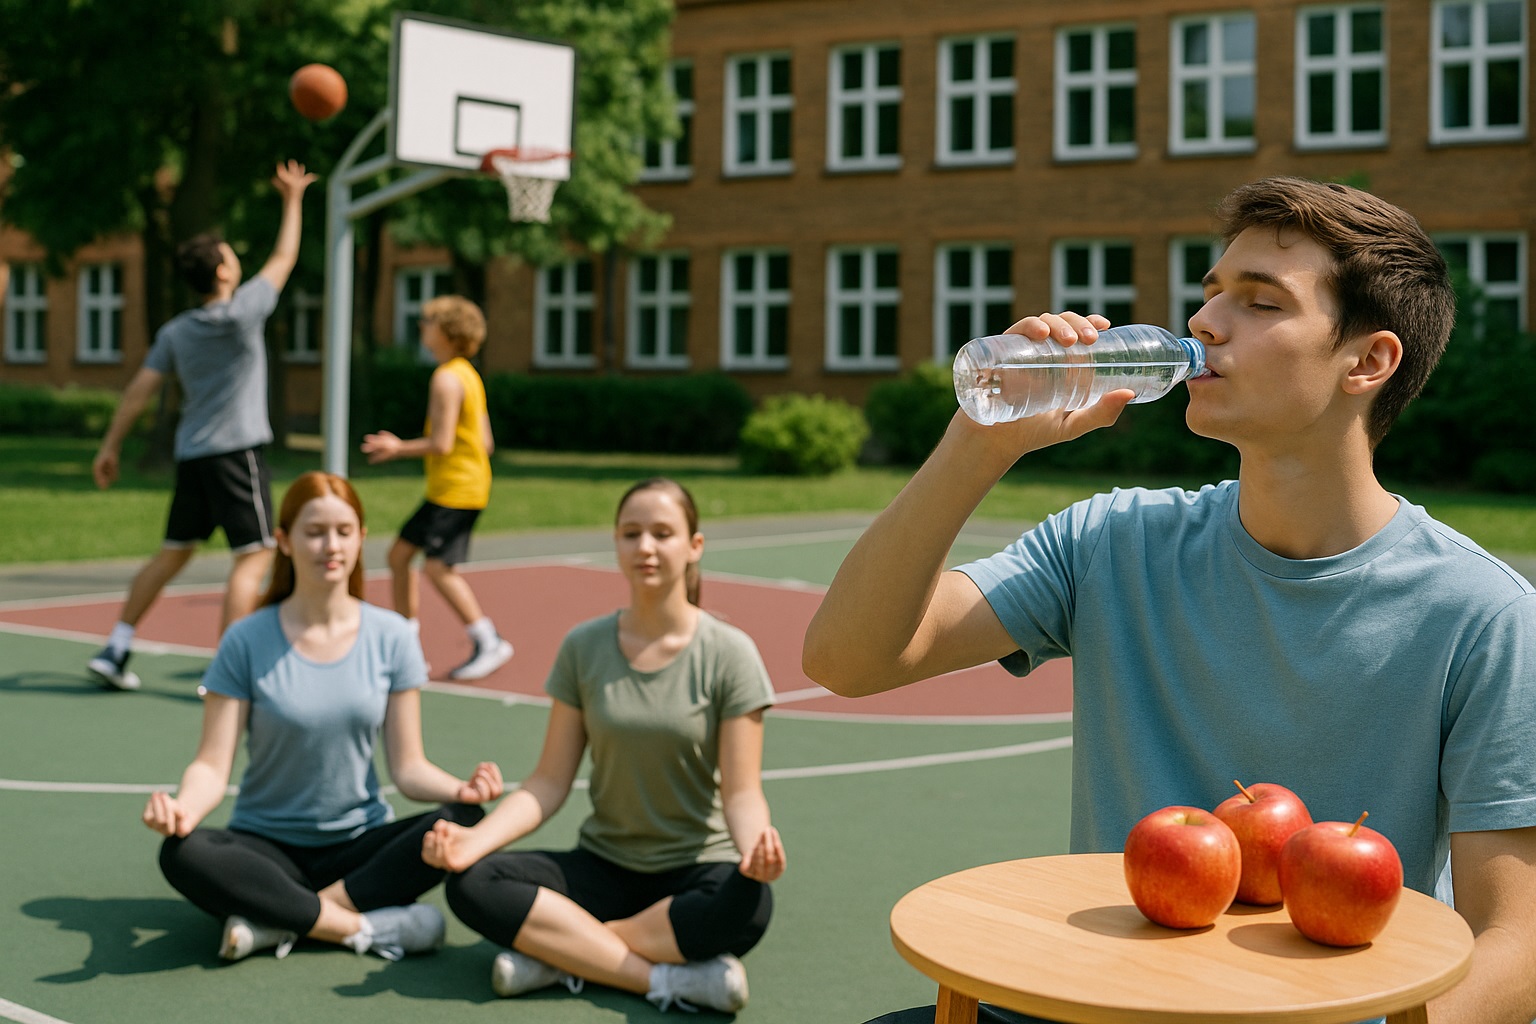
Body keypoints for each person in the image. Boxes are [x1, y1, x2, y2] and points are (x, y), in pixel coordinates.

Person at [803, 178, 1536, 1024]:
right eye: (1211, 293)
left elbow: (1514, 946)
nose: (1205, 324)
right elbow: (845, 660)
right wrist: (978, 444)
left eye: (1261, 303)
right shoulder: (1111, 540)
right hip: (1086, 1008)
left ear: (1366, 361)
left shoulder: (1482, 615)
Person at [421, 477, 785, 1014]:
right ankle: (664, 981)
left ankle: (561, 955)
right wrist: (471, 846)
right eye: (631, 533)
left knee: (747, 905)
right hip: (602, 866)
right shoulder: (583, 646)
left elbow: (741, 792)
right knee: (471, 883)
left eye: (663, 533)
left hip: (692, 871)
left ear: (694, 546)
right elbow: (547, 783)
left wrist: (755, 849)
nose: (646, 547)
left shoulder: (730, 654)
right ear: (616, 543)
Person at [143, 470, 505, 963]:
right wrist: (183, 809)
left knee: (462, 822)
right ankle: (361, 928)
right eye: (314, 532)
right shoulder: (245, 639)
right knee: (182, 852)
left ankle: (279, 922)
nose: (329, 545)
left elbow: (408, 768)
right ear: (285, 542)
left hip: (358, 851)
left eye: (343, 531)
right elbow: (211, 764)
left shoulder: (393, 636)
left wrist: (460, 792)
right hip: (264, 850)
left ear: (361, 539)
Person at [87, 160, 316, 692]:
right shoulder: (242, 314)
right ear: (222, 273)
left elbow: (139, 391)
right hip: (237, 454)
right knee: (252, 556)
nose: (239, 261)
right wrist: (293, 199)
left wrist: (110, 445)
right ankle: (230, 669)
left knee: (174, 552)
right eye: (233, 257)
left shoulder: (176, 331)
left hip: (193, 455)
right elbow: (284, 257)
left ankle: (116, 646)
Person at [360, 295, 514, 681]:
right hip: (456, 486)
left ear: (447, 331)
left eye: (428, 321)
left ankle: (488, 639)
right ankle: (406, 644)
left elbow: (443, 443)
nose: (421, 327)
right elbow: (487, 442)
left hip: (457, 489)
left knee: (437, 568)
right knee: (399, 556)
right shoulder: (467, 374)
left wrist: (397, 448)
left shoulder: (446, 378)